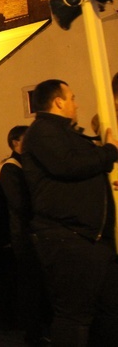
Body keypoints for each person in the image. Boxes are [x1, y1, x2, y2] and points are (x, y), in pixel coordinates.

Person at [22, 79, 118, 346]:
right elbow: (68, 165)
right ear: (59, 101)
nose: (77, 104)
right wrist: (109, 152)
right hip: (69, 237)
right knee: (74, 317)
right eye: (72, 97)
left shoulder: (67, 133)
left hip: (92, 237)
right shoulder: (43, 131)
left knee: (109, 311)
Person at [0, 125, 51, 344]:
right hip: (24, 233)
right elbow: (19, 202)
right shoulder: (11, 168)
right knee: (30, 284)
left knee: (40, 282)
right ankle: (32, 331)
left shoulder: (26, 164)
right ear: (16, 143)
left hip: (35, 231)